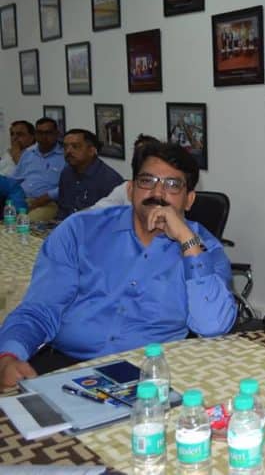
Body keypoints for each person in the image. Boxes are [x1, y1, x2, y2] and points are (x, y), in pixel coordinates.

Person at [0, 143, 237, 388]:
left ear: (189, 200)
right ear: (131, 189)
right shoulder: (79, 231)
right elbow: (40, 309)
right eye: (147, 181)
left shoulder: (204, 248)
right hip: (67, 365)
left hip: (151, 373)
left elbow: (212, 326)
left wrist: (188, 242)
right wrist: (8, 356)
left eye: (172, 185)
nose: (158, 192)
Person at [56, 129, 123, 220]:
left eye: (75, 146)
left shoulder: (110, 179)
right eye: (65, 147)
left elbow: (113, 219)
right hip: (67, 224)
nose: (68, 151)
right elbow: (62, 208)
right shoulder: (66, 173)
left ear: (91, 151)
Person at [11, 117, 65, 221]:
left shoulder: (65, 156)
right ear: (35, 134)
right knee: (8, 216)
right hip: (22, 199)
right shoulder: (28, 153)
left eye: (48, 133)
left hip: (47, 203)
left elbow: (68, 186)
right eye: (40, 133)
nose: (43, 137)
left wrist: (46, 197)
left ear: (57, 134)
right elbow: (15, 179)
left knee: (25, 221)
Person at [92, 134, 160, 209]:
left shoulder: (164, 189)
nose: (140, 158)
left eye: (146, 154)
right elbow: (96, 210)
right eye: (137, 154)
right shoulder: (126, 188)